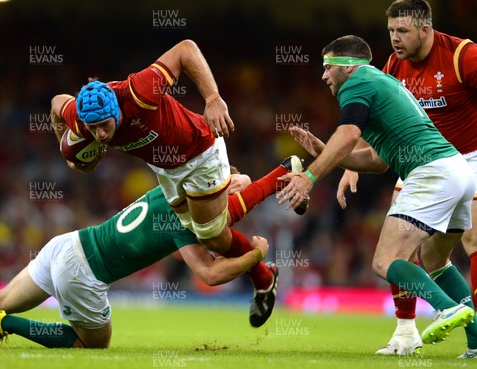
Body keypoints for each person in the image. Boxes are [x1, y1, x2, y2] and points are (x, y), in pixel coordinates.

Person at [0, 157, 302, 348]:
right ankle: (11, 325)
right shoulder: (185, 223)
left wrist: (246, 179)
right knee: (92, 344)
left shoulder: (168, 191)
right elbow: (208, 275)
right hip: (85, 271)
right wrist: (255, 257)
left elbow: (218, 192)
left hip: (68, 243)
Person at [49, 39, 306, 326]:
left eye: (104, 126)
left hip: (199, 153)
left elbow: (186, 49)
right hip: (166, 169)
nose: (98, 134)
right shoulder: (83, 118)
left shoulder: (139, 91)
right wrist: (69, 149)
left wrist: (212, 99)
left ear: (116, 111)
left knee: (210, 234)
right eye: (92, 128)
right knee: (208, 233)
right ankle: (279, 179)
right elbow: (57, 103)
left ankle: (262, 269)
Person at [278, 34, 476, 358]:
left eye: (328, 67)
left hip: (432, 174)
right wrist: (324, 151)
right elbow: (376, 159)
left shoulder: (357, 83)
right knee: (435, 259)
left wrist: (311, 176)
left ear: (348, 66)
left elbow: (349, 133)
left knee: (385, 261)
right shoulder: (382, 83)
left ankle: (445, 308)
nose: (324, 75)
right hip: (458, 172)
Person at [334, 0, 477, 358]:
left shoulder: (464, 56)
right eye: (391, 31)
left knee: (472, 240)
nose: (395, 39)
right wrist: (351, 163)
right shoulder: (394, 65)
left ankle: (461, 321)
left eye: (403, 31)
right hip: (419, 162)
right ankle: (405, 332)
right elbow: (379, 114)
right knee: (417, 252)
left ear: (426, 30)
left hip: (470, 156)